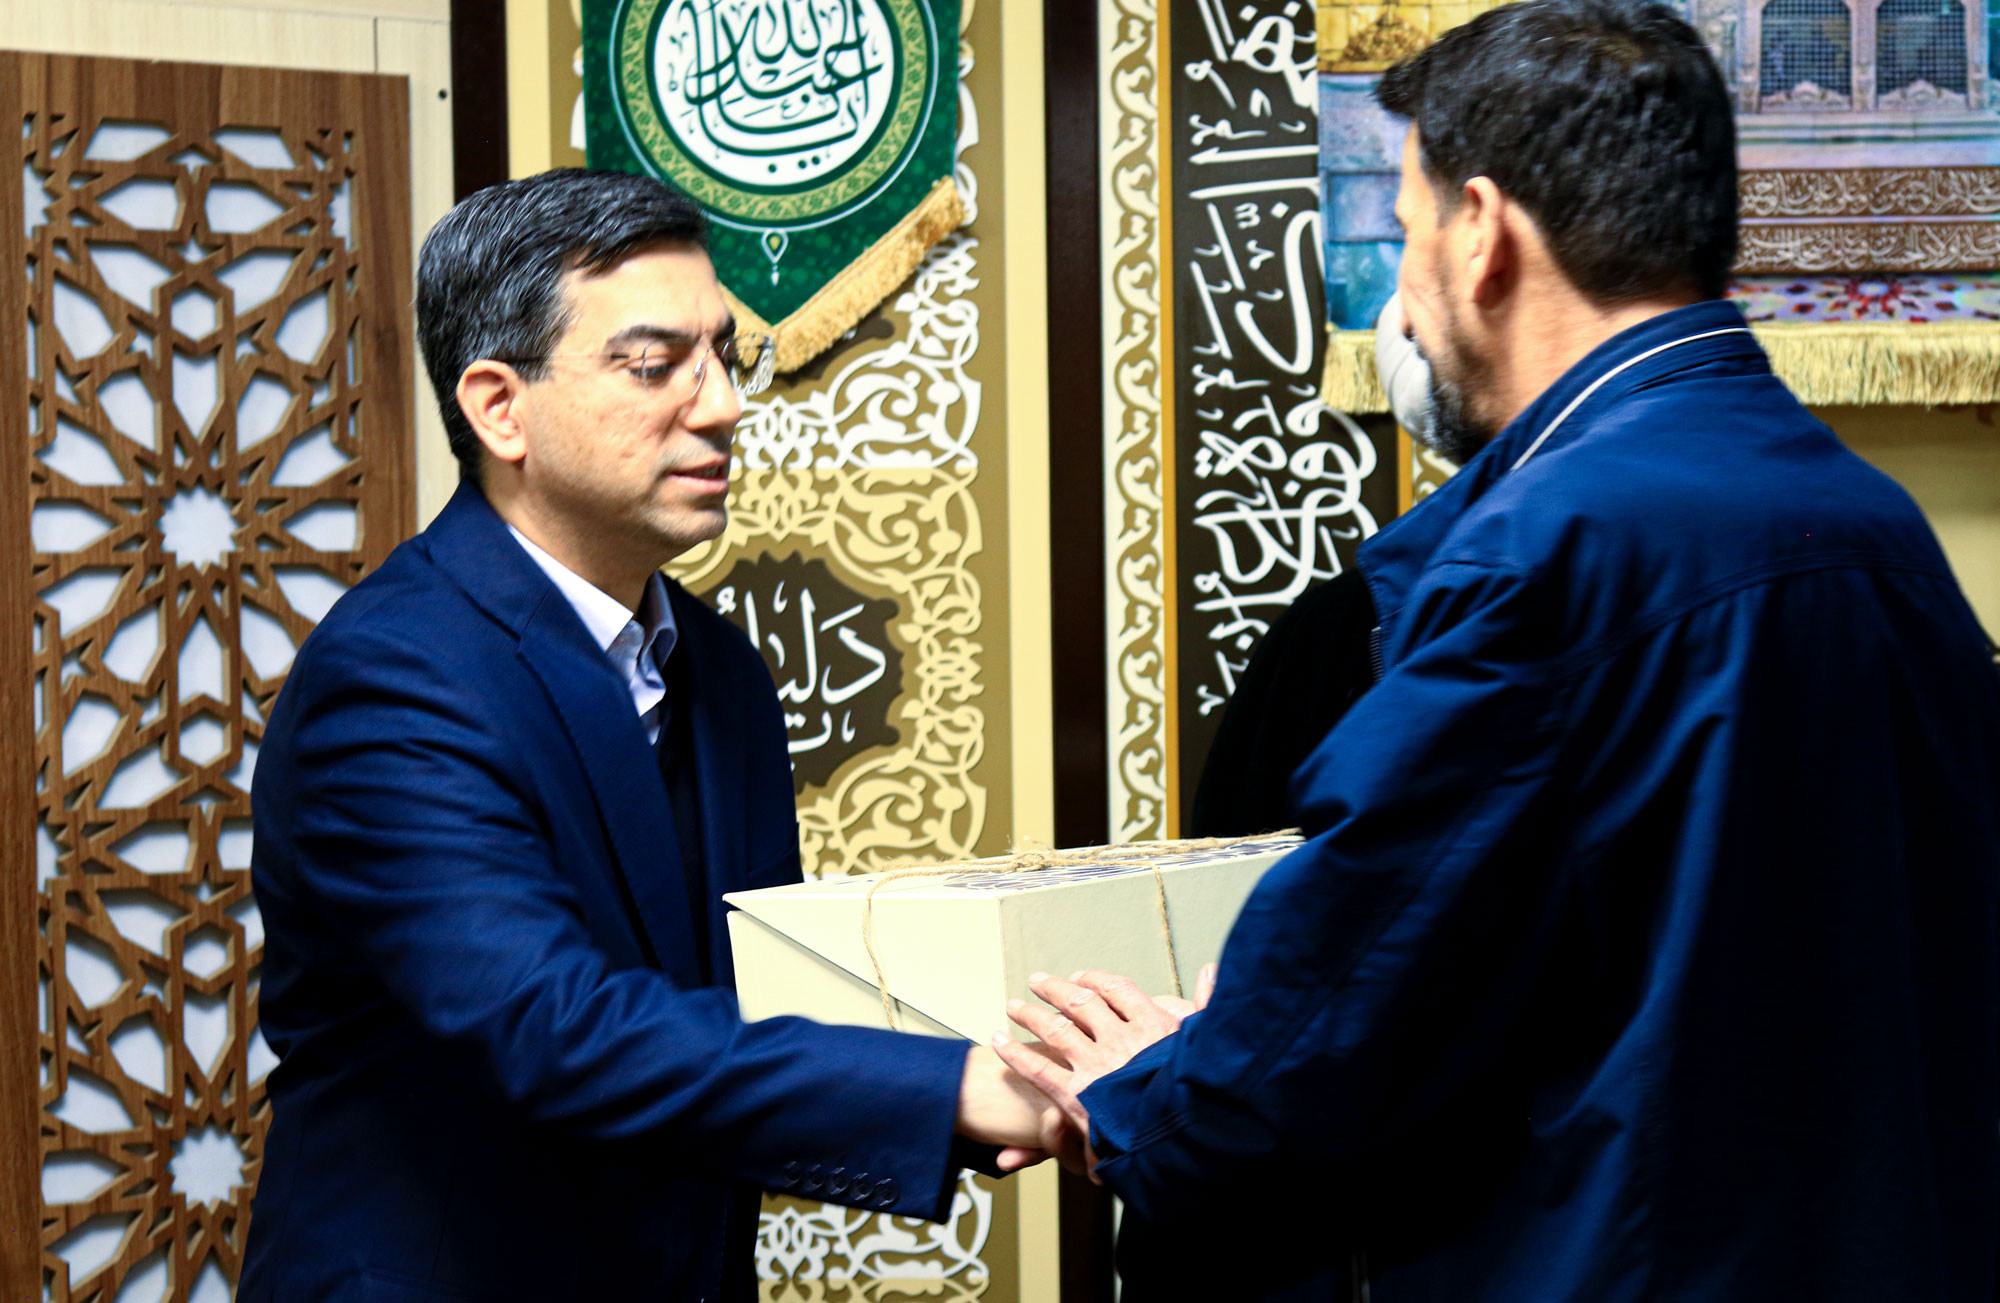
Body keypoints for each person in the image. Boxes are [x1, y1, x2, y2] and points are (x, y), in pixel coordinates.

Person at [998, 2, 2000, 1298]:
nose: (1408, 292)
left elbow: (1340, 1013)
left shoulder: (1547, 548)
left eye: (1407, 228)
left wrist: (1147, 1091)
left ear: (1480, 231)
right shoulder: (1875, 523)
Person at [241, 169, 1047, 1302]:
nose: (722, 406)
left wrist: (1050, 1047)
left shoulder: (721, 667)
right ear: (499, 407)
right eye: (655, 365)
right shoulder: (393, 678)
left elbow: (754, 999)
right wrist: (964, 1087)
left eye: (724, 354)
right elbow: (555, 1027)